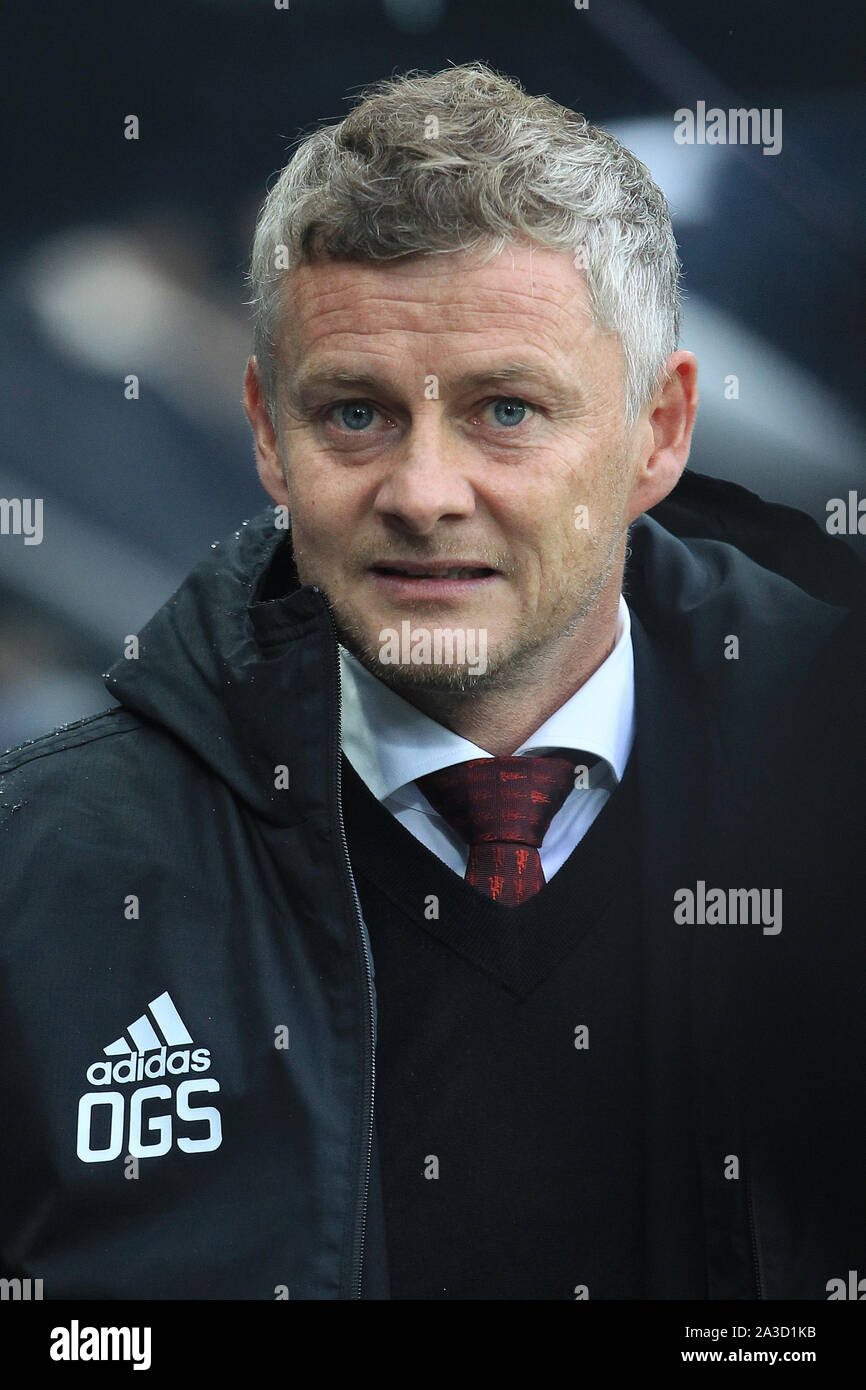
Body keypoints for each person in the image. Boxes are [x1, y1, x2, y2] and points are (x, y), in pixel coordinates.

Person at [1, 62, 864, 1302]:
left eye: (505, 410)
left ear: (659, 433)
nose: (421, 492)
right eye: (353, 415)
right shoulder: (39, 884)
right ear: (266, 432)